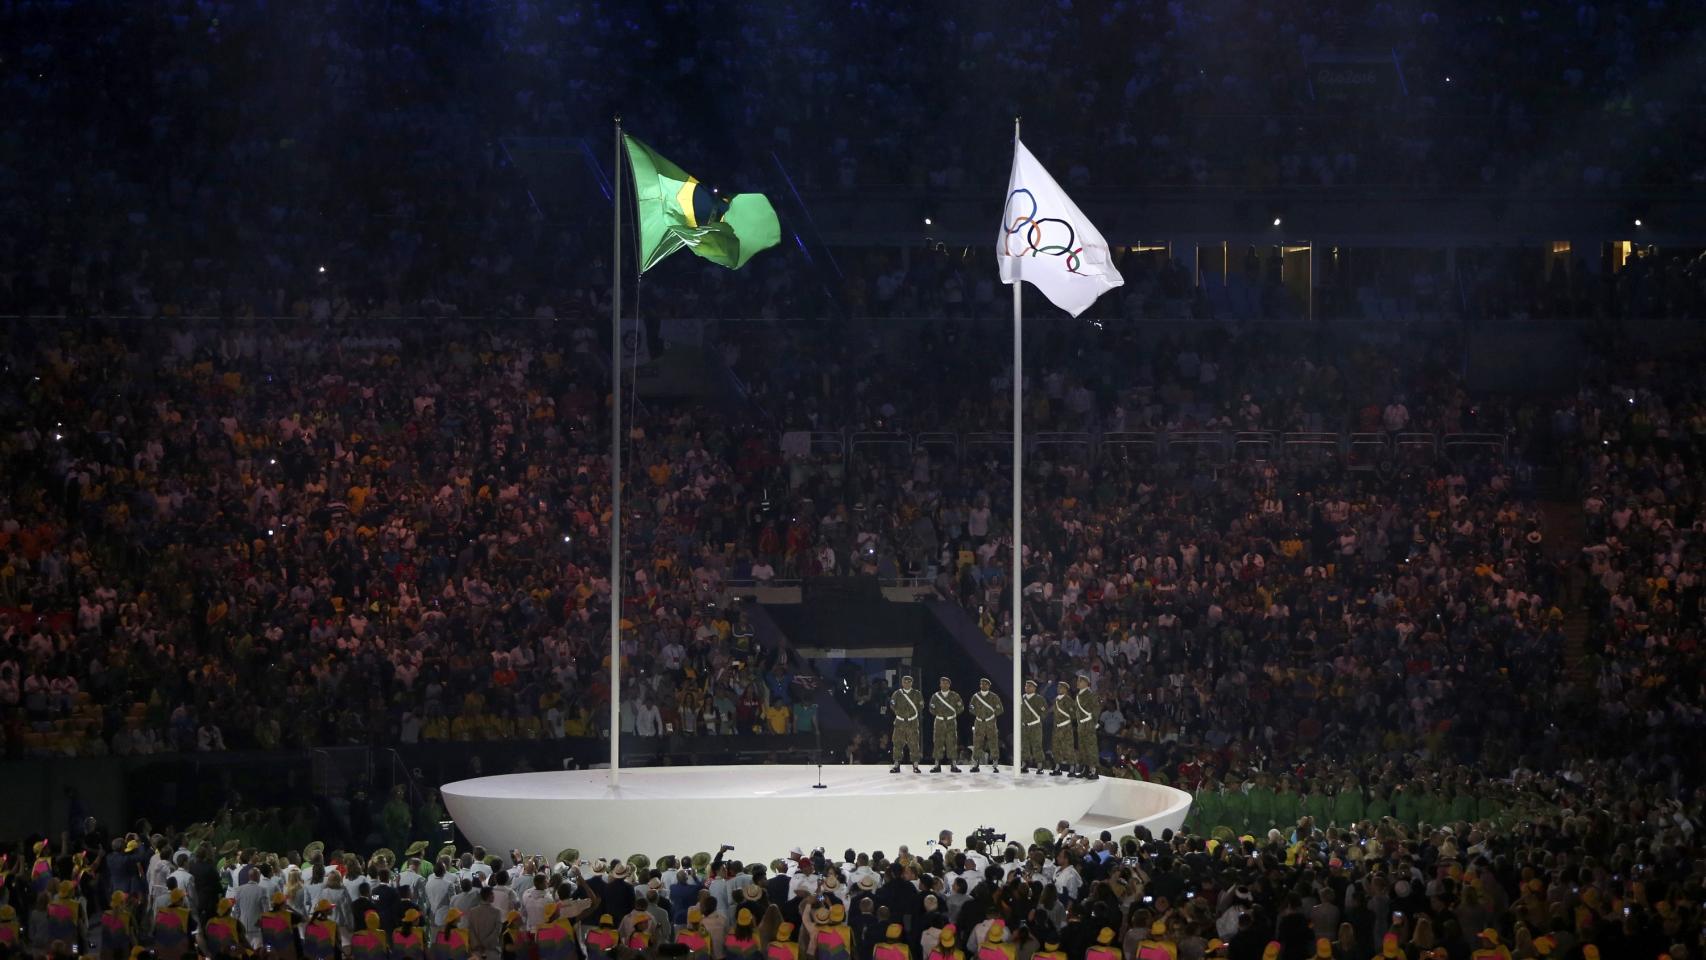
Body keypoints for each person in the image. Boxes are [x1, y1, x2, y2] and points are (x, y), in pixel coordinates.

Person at [889, 677, 924, 774]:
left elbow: (921, 706)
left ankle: (915, 766)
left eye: (909, 682)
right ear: (902, 683)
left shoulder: (917, 694)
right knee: (897, 744)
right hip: (900, 722)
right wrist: (899, 713)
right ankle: (896, 765)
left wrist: (911, 714)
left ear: (912, 683)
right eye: (905, 682)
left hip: (912, 722)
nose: (907, 683)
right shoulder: (897, 694)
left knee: (914, 744)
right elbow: (892, 705)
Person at [968, 679, 1003, 773]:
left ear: (989, 686)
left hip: (990, 722)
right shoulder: (975, 697)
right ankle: (976, 764)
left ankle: (995, 764)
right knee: (977, 743)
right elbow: (971, 708)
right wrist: (979, 713)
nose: (983, 685)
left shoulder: (994, 697)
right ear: (980, 685)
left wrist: (991, 715)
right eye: (982, 684)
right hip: (979, 722)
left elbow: (1000, 709)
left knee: (993, 742)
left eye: (985, 684)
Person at [928, 678, 963, 773]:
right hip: (939, 721)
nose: (944, 684)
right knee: (938, 743)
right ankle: (937, 765)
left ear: (949, 685)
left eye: (946, 683)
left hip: (951, 722)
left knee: (952, 743)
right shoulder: (935, 696)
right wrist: (940, 714)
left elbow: (961, 707)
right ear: (940, 684)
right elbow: (931, 708)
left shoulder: (955, 696)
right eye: (942, 683)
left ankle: (953, 765)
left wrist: (953, 714)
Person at [153, 890, 195, 960]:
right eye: (182, 899)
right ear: (180, 900)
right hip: (181, 954)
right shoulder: (185, 913)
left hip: (163, 953)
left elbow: (154, 932)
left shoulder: (160, 913)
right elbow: (194, 927)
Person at [260, 893, 303, 960]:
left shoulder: (264, 916)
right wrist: (291, 908)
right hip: (287, 952)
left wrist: (268, 951)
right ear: (283, 904)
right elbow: (302, 918)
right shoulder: (289, 915)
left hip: (272, 951)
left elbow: (265, 937)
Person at [1071, 674, 1099, 779]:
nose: (1077, 682)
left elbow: (1096, 709)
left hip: (1088, 724)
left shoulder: (1090, 695)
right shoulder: (1078, 695)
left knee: (1091, 747)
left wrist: (1094, 722)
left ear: (1086, 683)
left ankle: (1094, 771)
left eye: (1080, 681)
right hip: (1081, 725)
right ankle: (1086, 769)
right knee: (1083, 748)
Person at [99, 892, 137, 960]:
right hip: (122, 953)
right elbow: (132, 937)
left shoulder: (105, 915)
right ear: (123, 903)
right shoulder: (127, 917)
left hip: (106, 952)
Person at [1018, 681, 1045, 774]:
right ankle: (1024, 765)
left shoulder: (1039, 699)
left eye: (1029, 686)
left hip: (1035, 725)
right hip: (1024, 726)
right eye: (1026, 685)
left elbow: (1044, 712)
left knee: (1037, 745)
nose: (1027, 687)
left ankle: (1040, 766)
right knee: (1024, 746)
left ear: (1034, 688)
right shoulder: (1021, 698)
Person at [1050, 683, 1075, 777]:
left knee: (1068, 748)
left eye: (1060, 687)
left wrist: (1067, 722)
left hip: (1065, 727)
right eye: (1058, 687)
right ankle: (1057, 767)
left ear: (1065, 689)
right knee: (1056, 748)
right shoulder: (1056, 699)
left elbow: (1073, 714)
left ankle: (1072, 768)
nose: (1058, 689)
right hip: (1056, 727)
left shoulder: (1068, 700)